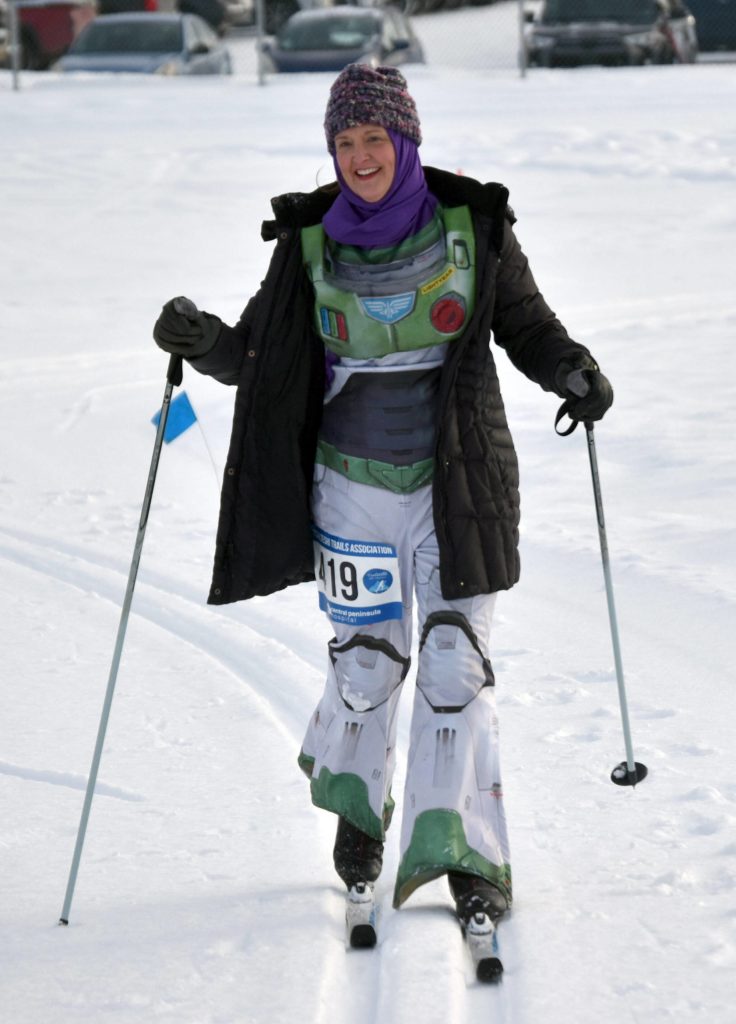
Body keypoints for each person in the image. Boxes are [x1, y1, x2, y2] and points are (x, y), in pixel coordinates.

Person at [152, 64, 613, 928]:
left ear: (405, 141)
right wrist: (203, 340)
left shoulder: (473, 228)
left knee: (455, 664)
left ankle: (466, 849)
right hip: (349, 488)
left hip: (459, 484)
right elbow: (258, 356)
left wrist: (572, 370)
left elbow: (527, 325)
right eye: (345, 141)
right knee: (367, 663)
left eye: (375, 138)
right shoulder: (308, 242)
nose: (360, 156)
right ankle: (360, 812)